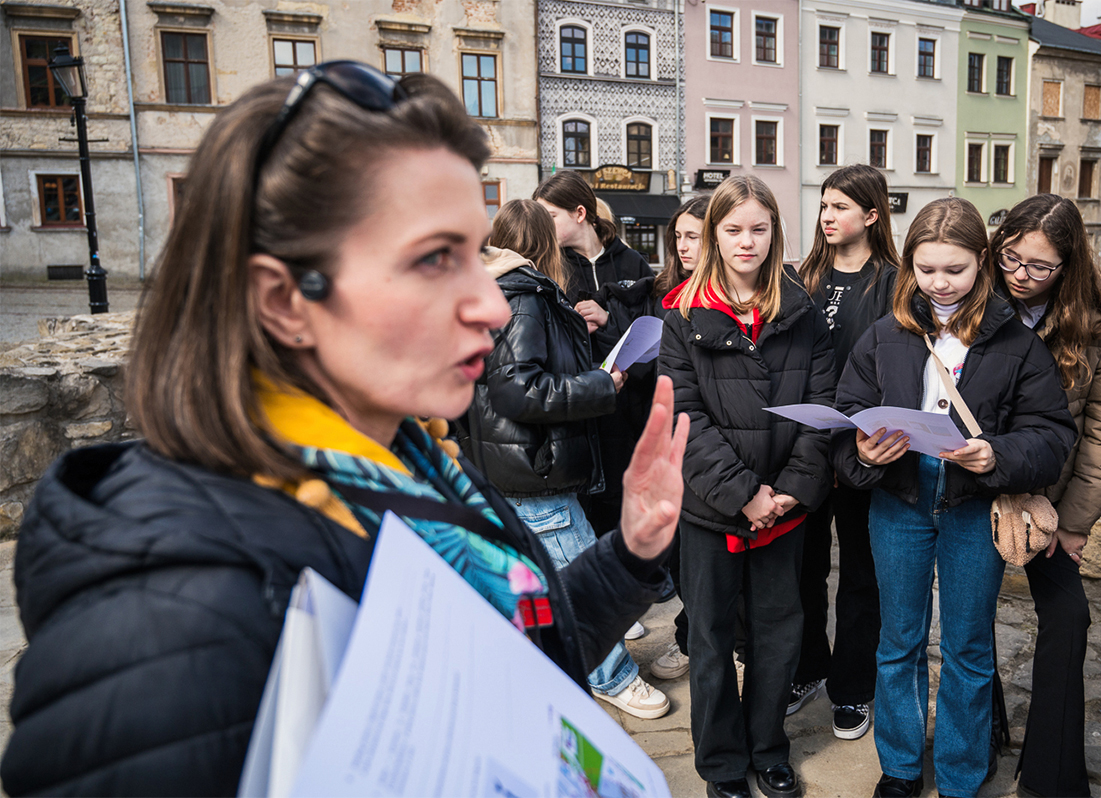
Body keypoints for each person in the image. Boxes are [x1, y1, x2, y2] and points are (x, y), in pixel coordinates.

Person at [0, 63, 689, 796]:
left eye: (474, 255)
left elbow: (505, 663)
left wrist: (628, 554)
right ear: (286, 301)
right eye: (434, 260)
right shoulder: (170, 612)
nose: (490, 309)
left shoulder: (409, 458)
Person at [833, 197, 1077, 798]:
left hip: (973, 509)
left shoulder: (1017, 344)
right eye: (926, 269)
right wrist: (862, 455)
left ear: (981, 266)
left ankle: (964, 775)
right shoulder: (884, 336)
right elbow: (842, 422)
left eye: (956, 270)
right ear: (909, 265)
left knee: (968, 647)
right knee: (899, 643)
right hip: (899, 502)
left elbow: (1052, 436)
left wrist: (997, 455)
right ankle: (901, 769)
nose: (940, 283)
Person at [659, 176, 838, 798]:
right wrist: (743, 493)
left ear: (775, 233)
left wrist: (790, 488)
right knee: (709, 641)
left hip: (785, 508)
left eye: (758, 228)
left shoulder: (802, 312)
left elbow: (824, 406)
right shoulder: (681, 315)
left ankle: (768, 748)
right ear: (714, 235)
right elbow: (685, 416)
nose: (746, 241)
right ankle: (722, 762)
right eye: (733, 229)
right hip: (712, 508)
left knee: (777, 634)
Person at [465, 198, 669, 719]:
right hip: (535, 468)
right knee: (577, 566)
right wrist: (603, 382)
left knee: (539, 577)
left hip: (517, 463)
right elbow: (519, 389)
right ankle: (613, 677)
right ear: (542, 245)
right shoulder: (525, 295)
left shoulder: (501, 289)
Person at [989, 194, 1101, 798]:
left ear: (1069, 266)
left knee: (1070, 616)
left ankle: (1050, 773)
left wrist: (1074, 524)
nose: (1021, 277)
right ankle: (984, 729)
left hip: (1053, 494)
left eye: (1040, 267)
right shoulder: (980, 288)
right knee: (971, 615)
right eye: (1011, 259)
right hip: (980, 480)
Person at [790, 165, 900, 740]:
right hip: (807, 445)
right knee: (803, 570)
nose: (827, 216)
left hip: (866, 449)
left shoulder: (895, 282)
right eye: (824, 206)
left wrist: (864, 443)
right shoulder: (802, 275)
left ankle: (852, 687)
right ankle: (808, 668)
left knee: (861, 573)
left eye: (840, 207)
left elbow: (900, 369)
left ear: (873, 215)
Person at [533, 171, 655, 546]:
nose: (543, 225)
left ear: (580, 213)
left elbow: (651, 333)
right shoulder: (550, 267)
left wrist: (607, 322)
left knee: (634, 500)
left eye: (549, 215)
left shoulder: (633, 263)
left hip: (632, 407)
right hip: (583, 409)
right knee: (592, 506)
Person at [640, 197, 709, 683]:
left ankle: (707, 639)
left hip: (712, 443)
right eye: (679, 237)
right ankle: (693, 637)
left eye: (695, 237)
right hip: (671, 441)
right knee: (686, 556)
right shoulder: (666, 291)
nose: (684, 247)